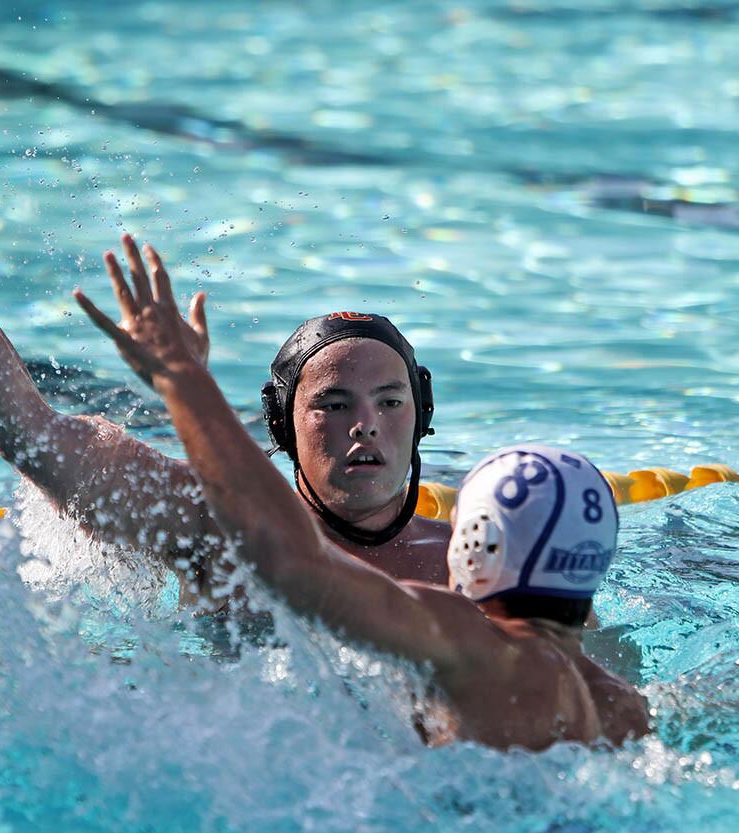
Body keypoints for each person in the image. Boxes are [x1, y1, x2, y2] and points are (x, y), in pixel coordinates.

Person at [73, 260, 650, 750]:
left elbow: (290, 561)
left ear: (475, 549)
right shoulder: (624, 707)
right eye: (334, 405)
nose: (365, 426)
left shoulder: (461, 636)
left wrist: (181, 379)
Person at [0, 176, 449, 608]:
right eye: (334, 405)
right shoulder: (218, 532)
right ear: (282, 428)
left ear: (420, 418)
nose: (366, 424)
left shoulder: (472, 563)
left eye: (390, 402)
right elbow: (31, 436)